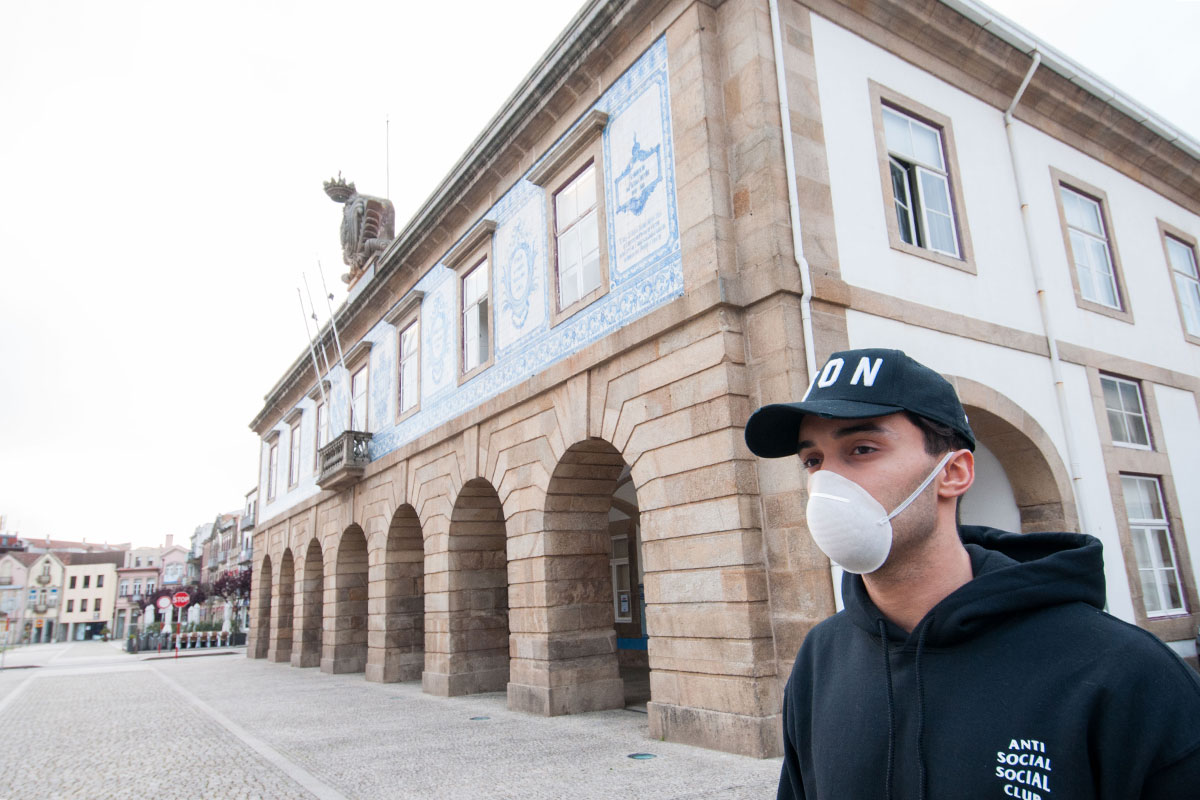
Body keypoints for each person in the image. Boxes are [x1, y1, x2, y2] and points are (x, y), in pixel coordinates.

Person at [743, 347, 1200, 800]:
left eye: (862, 449)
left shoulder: (1124, 671)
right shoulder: (821, 657)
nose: (827, 483)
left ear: (954, 472)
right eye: (813, 461)